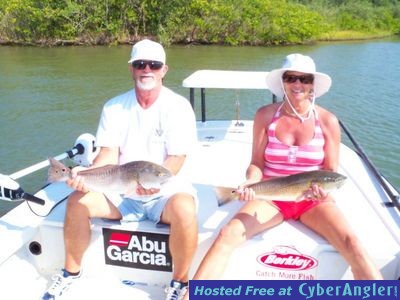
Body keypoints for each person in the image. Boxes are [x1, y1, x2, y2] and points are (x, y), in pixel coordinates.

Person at [187, 53, 383, 288]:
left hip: (312, 199)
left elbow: (330, 169)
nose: (298, 84)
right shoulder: (265, 115)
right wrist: (251, 182)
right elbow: (256, 164)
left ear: (313, 84)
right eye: (291, 78)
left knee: (353, 243)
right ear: (283, 83)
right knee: (227, 234)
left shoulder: (328, 121)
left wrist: (320, 192)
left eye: (304, 79)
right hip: (272, 196)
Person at [42, 39, 198, 300]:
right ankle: (70, 273)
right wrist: (80, 176)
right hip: (121, 193)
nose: (146, 69)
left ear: (164, 70)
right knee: (77, 201)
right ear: (131, 69)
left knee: (185, 209)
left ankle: (180, 283)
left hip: (164, 193)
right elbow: (107, 155)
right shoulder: (114, 107)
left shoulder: (178, 107)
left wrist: (155, 184)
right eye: (140, 64)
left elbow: (177, 159)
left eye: (154, 64)